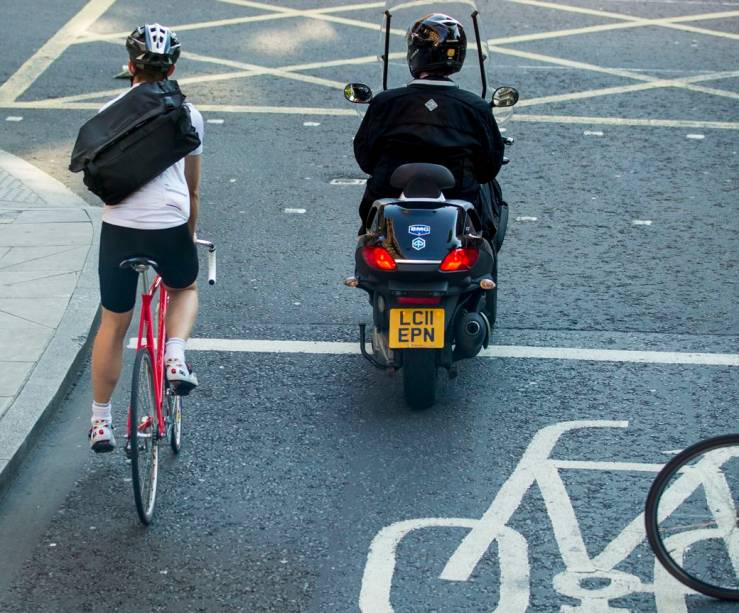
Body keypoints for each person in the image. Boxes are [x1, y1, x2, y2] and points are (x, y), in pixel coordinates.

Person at [88, 24, 204, 453]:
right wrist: (187, 239)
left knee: (114, 323)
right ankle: (175, 355)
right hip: (169, 223)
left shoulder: (109, 109)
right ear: (172, 67)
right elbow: (191, 190)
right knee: (184, 287)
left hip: (119, 226)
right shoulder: (189, 114)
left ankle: (101, 420)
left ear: (130, 66)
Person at [353, 13, 507, 240]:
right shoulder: (475, 107)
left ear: (415, 52)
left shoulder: (385, 102)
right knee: (485, 217)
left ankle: (362, 264)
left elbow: (366, 159)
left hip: (389, 196)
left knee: (368, 239)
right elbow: (488, 169)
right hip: (459, 199)